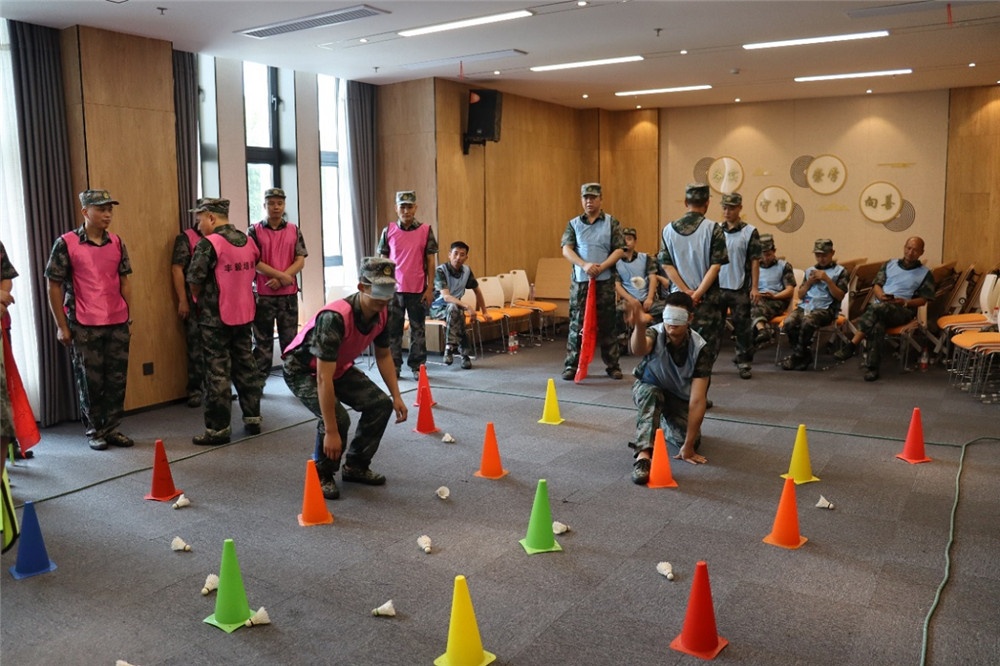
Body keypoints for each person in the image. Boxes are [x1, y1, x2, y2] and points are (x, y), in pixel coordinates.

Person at [282, 257, 408, 500]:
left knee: (380, 404)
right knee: (338, 418)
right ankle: (322, 473)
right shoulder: (335, 317)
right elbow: (323, 378)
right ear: (362, 287)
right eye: (379, 290)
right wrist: (331, 431)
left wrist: (397, 396)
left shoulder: (385, 311)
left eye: (389, 290)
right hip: (302, 369)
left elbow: (383, 355)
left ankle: (356, 466)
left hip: (336, 366)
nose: (384, 298)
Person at [44, 189, 134, 451]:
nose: (107, 214)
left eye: (110, 209)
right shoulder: (66, 243)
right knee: (90, 382)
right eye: (101, 209)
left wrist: (129, 315)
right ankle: (95, 430)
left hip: (116, 321)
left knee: (116, 379)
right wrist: (61, 326)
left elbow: (125, 281)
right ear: (85, 211)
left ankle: (112, 428)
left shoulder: (116, 242)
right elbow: (53, 286)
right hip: (84, 323)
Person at [185, 198, 262, 445]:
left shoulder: (209, 244)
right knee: (246, 366)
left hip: (215, 319)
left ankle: (218, 430)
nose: (198, 225)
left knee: (217, 372)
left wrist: (200, 300)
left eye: (200, 219)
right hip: (244, 314)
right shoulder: (248, 240)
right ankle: (253, 417)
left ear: (211, 217)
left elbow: (194, 280)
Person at [626, 292, 710, 485]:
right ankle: (643, 456)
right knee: (652, 393)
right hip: (649, 387)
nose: (672, 323)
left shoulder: (700, 348)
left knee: (690, 441)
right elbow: (639, 349)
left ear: (690, 318)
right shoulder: (654, 333)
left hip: (678, 396)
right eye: (668, 316)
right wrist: (639, 326)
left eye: (678, 317)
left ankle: (660, 420)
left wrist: (688, 445)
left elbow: (698, 399)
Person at [659, 183, 728, 402]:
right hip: (706, 303)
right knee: (703, 351)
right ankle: (698, 398)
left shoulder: (668, 230)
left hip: (676, 302)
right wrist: (696, 294)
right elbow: (715, 267)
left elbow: (667, 266)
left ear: (685, 202)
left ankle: (676, 395)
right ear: (707, 203)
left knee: (676, 348)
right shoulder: (713, 229)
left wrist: (685, 292)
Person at [834, 236, 934, 382]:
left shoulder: (925, 273)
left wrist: (905, 302)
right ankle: (872, 369)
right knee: (877, 325)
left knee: (877, 309)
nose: (910, 252)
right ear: (904, 247)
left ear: (921, 252)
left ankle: (852, 344)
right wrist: (881, 295)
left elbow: (924, 299)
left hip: (903, 310)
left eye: (915, 250)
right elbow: (877, 285)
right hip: (882, 305)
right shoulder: (889, 264)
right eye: (908, 248)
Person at [561, 182, 627, 380]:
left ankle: (613, 366)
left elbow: (619, 249)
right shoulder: (573, 224)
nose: (589, 201)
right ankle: (572, 365)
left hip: (604, 282)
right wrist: (584, 265)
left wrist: (602, 266)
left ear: (600, 199)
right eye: (586, 198)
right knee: (577, 323)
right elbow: (566, 249)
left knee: (608, 324)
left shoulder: (611, 222)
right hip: (581, 283)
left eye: (593, 197)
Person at [377, 191, 438, 381]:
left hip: (418, 289)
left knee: (418, 330)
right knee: (393, 330)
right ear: (396, 208)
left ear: (415, 208)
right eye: (402, 207)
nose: (406, 210)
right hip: (394, 291)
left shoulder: (426, 230)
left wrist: (430, 288)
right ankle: (394, 366)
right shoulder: (388, 231)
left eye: (409, 206)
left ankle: (417, 366)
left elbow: (431, 261)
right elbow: (382, 260)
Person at [248, 188, 308, 383]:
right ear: (264, 205)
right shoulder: (254, 230)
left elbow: (300, 260)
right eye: (271, 203)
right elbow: (254, 261)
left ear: (284, 205)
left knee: (290, 343)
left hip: (288, 296)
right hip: (263, 295)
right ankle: (258, 384)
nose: (276, 207)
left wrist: (282, 279)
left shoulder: (294, 230)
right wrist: (280, 276)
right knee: (262, 342)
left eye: (279, 203)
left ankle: (295, 381)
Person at [781, 238, 849, 371]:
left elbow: (840, 296)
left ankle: (797, 356)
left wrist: (827, 280)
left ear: (832, 253)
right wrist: (809, 283)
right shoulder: (810, 271)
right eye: (818, 255)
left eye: (824, 255)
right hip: (805, 306)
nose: (821, 259)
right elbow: (800, 295)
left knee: (808, 322)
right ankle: (804, 355)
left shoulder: (841, 271)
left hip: (826, 309)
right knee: (789, 322)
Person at [717, 193, 761, 379]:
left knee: (742, 327)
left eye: (731, 208)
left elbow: (755, 261)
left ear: (740, 208)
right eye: (724, 208)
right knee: (714, 327)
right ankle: (707, 361)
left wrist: (755, 287)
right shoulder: (716, 230)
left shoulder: (749, 232)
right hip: (717, 288)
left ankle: (743, 362)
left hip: (739, 287)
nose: (727, 212)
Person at [1, 243, 40, 459]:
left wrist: (2, 298)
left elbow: (7, 276)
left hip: (1, 324)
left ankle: (9, 441)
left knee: (5, 383)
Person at [429, 241, 487, 370]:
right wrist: (467, 306)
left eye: (462, 255)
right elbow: (446, 297)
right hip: (437, 308)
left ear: (466, 257)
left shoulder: (466, 271)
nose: (458, 257)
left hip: (455, 308)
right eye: (455, 254)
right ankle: (464, 355)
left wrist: (485, 311)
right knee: (455, 309)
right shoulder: (441, 271)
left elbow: (477, 291)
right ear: (449, 255)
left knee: (456, 312)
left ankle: (449, 348)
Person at [171, 215, 205, 407]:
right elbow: (177, 269)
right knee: (195, 348)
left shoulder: (221, 237)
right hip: (194, 303)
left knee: (219, 348)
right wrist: (183, 300)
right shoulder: (186, 238)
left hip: (219, 303)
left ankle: (218, 388)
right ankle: (195, 390)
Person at [614, 227, 665, 352]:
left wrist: (650, 298)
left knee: (664, 310)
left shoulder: (645, 258)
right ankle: (622, 344)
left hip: (647, 299)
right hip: (628, 300)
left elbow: (652, 278)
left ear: (635, 241)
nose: (626, 242)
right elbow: (617, 285)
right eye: (623, 239)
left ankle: (654, 339)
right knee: (616, 311)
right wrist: (631, 300)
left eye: (629, 239)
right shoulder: (615, 261)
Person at [750, 234, 796, 346]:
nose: (765, 258)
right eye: (762, 255)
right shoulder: (754, 266)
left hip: (776, 299)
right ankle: (761, 332)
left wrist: (775, 296)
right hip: (758, 297)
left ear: (774, 251)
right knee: (745, 305)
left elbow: (790, 290)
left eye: (768, 255)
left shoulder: (784, 266)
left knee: (752, 307)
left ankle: (762, 331)